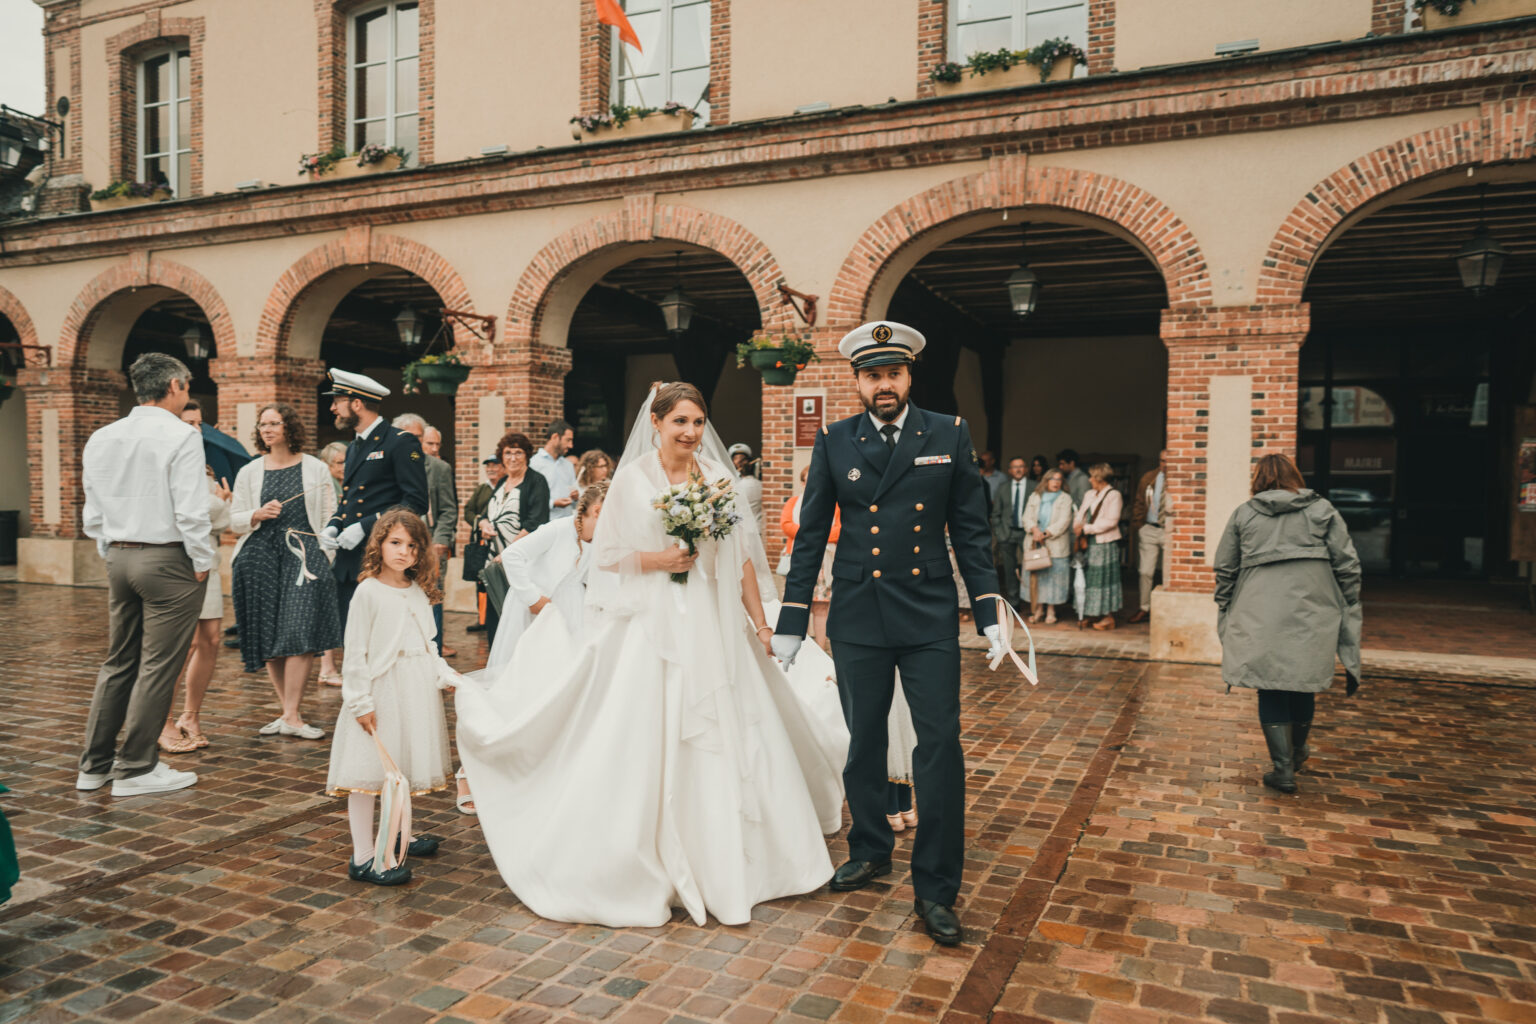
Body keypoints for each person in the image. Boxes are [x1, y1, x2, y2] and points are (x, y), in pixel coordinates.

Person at [457, 382, 847, 928]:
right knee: (643, 732)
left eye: (697, 421)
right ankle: (641, 859)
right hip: (651, 623)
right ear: (658, 422)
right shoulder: (632, 480)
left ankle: (737, 857)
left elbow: (739, 564)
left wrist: (760, 623)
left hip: (713, 624)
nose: (689, 432)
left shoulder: (718, 480)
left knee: (731, 729)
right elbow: (609, 556)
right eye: (679, 421)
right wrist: (659, 559)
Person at [772, 321, 1006, 947]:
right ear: (857, 381)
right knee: (864, 740)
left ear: (909, 377)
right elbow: (812, 534)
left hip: (928, 612)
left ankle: (935, 888)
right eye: (872, 375)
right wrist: (793, 618)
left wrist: (988, 610)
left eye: (893, 374)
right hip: (858, 612)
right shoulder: (834, 440)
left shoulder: (948, 433)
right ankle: (871, 847)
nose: (883, 384)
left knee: (939, 747)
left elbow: (971, 530)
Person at [77, 353, 215, 797]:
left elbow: (93, 510)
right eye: (188, 386)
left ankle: (94, 766)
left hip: (118, 556)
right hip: (168, 559)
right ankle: (136, 768)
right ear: (174, 385)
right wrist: (201, 560)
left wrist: (110, 550)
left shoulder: (103, 436)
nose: (188, 393)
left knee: (118, 661)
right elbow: (191, 510)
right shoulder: (181, 436)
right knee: (159, 666)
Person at [327, 509, 467, 885]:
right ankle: (364, 855)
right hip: (382, 688)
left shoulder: (418, 591)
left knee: (401, 764)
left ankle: (400, 833)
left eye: (412, 546)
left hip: (415, 687)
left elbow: (429, 643)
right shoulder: (368, 592)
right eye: (395, 543)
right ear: (380, 544)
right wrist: (360, 702)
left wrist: (442, 674)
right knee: (369, 772)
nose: (404, 552)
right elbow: (355, 652)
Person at [1214, 453, 1362, 795]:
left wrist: (1226, 602)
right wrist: (1349, 600)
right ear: (1295, 477)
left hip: (1257, 610)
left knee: (1270, 684)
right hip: (1313, 609)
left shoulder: (1244, 513)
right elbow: (1348, 563)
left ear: (1258, 480)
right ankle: (1295, 753)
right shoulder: (1322, 510)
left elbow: (1225, 567)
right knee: (1302, 680)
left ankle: (1282, 769)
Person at [230, 403, 341, 739]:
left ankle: (291, 715)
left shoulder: (315, 468)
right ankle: (289, 714)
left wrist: (323, 556)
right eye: (263, 424)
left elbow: (330, 517)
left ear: (289, 427)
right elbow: (233, 520)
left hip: (303, 558)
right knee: (270, 637)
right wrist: (256, 513)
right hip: (259, 558)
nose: (267, 429)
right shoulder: (249, 471)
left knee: (299, 631)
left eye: (274, 423)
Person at [317, 370, 430, 630]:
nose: (333, 408)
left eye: (337, 401)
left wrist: (364, 526)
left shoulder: (400, 442)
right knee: (352, 635)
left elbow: (415, 502)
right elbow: (349, 500)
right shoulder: (355, 446)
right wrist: (334, 524)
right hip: (349, 559)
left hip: (382, 558)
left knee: (384, 635)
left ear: (357, 403)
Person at [156, 400, 233, 754]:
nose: (196, 429)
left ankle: (191, 715)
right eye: (189, 422)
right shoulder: (167, 463)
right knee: (182, 644)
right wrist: (219, 504)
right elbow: (192, 515)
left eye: (199, 423)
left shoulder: (203, 467)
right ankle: (163, 720)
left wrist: (223, 503)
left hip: (209, 558)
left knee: (211, 639)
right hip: (181, 562)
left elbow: (219, 520)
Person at [391, 414, 459, 657]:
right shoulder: (390, 466)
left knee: (432, 597)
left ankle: (434, 653)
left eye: (420, 438)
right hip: (398, 545)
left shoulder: (439, 468)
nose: (417, 444)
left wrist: (441, 540)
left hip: (430, 543)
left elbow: (449, 509)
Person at [780, 463, 842, 646]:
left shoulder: (836, 504)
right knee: (799, 604)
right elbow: (786, 525)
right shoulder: (793, 502)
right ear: (802, 482)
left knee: (821, 607)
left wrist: (810, 534)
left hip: (824, 560)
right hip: (796, 557)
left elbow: (839, 530)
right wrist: (817, 534)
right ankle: (803, 649)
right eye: (807, 481)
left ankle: (821, 648)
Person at [1073, 463, 1124, 631]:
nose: (1089, 479)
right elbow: (1081, 512)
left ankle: (1108, 616)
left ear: (1100, 478)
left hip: (1104, 543)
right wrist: (1077, 525)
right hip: (1088, 543)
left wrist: (1087, 529)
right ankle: (1091, 612)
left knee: (1103, 580)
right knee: (1089, 579)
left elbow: (1111, 520)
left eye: (1092, 476)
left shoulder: (1113, 495)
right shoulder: (1089, 494)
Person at [482, 431, 551, 553]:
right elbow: (485, 516)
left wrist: (509, 552)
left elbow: (535, 522)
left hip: (521, 554)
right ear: (502, 457)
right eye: (508, 453)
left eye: (518, 452)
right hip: (494, 553)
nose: (513, 458)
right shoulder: (502, 482)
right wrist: (484, 526)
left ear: (527, 455)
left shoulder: (537, 481)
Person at [317, 440, 350, 684]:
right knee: (328, 611)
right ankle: (326, 668)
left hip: (344, 554)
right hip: (327, 553)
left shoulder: (346, 485)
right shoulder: (325, 487)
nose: (344, 466)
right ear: (326, 465)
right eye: (339, 462)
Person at [1022, 469, 1074, 624]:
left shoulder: (1066, 498)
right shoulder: (1035, 496)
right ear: (1046, 480)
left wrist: (1045, 534)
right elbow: (1026, 517)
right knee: (1038, 577)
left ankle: (1051, 610)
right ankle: (1038, 609)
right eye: (1052, 479)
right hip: (1034, 543)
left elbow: (1064, 521)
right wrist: (1035, 530)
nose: (1056, 482)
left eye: (1059, 479)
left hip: (1055, 545)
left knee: (1053, 578)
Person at [463, 455, 504, 634]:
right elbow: (468, 511)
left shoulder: (506, 487)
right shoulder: (482, 489)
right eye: (488, 466)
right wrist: (479, 521)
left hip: (501, 542)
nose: (491, 469)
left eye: (494, 466)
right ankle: (482, 620)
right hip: (482, 542)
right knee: (481, 580)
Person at [1128, 449, 1170, 624]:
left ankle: (1167, 609)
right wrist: (1140, 525)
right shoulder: (1149, 477)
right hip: (1150, 529)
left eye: (1168, 461)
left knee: (1169, 574)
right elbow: (1138, 501)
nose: (1165, 465)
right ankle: (1144, 608)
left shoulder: (1179, 479)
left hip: (1170, 531)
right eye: (1162, 461)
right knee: (1145, 571)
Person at [989, 457, 1032, 608]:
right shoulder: (1003, 488)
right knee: (1009, 570)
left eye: (1021, 466)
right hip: (1007, 534)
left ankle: (1032, 602)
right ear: (1010, 471)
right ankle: (1014, 603)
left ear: (1026, 469)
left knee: (1032, 567)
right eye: (1015, 467)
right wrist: (1000, 534)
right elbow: (995, 514)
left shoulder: (1035, 487)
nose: (1018, 469)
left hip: (1028, 534)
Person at [531, 419, 579, 520]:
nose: (571, 446)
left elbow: (575, 502)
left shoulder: (568, 465)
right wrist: (553, 503)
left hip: (567, 523)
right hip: (545, 524)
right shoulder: (533, 464)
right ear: (555, 437)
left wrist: (575, 497)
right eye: (568, 440)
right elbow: (530, 499)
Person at [728, 443, 766, 537]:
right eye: (735, 459)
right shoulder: (759, 484)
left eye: (740, 459)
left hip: (742, 531)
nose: (737, 463)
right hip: (756, 529)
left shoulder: (737, 485)